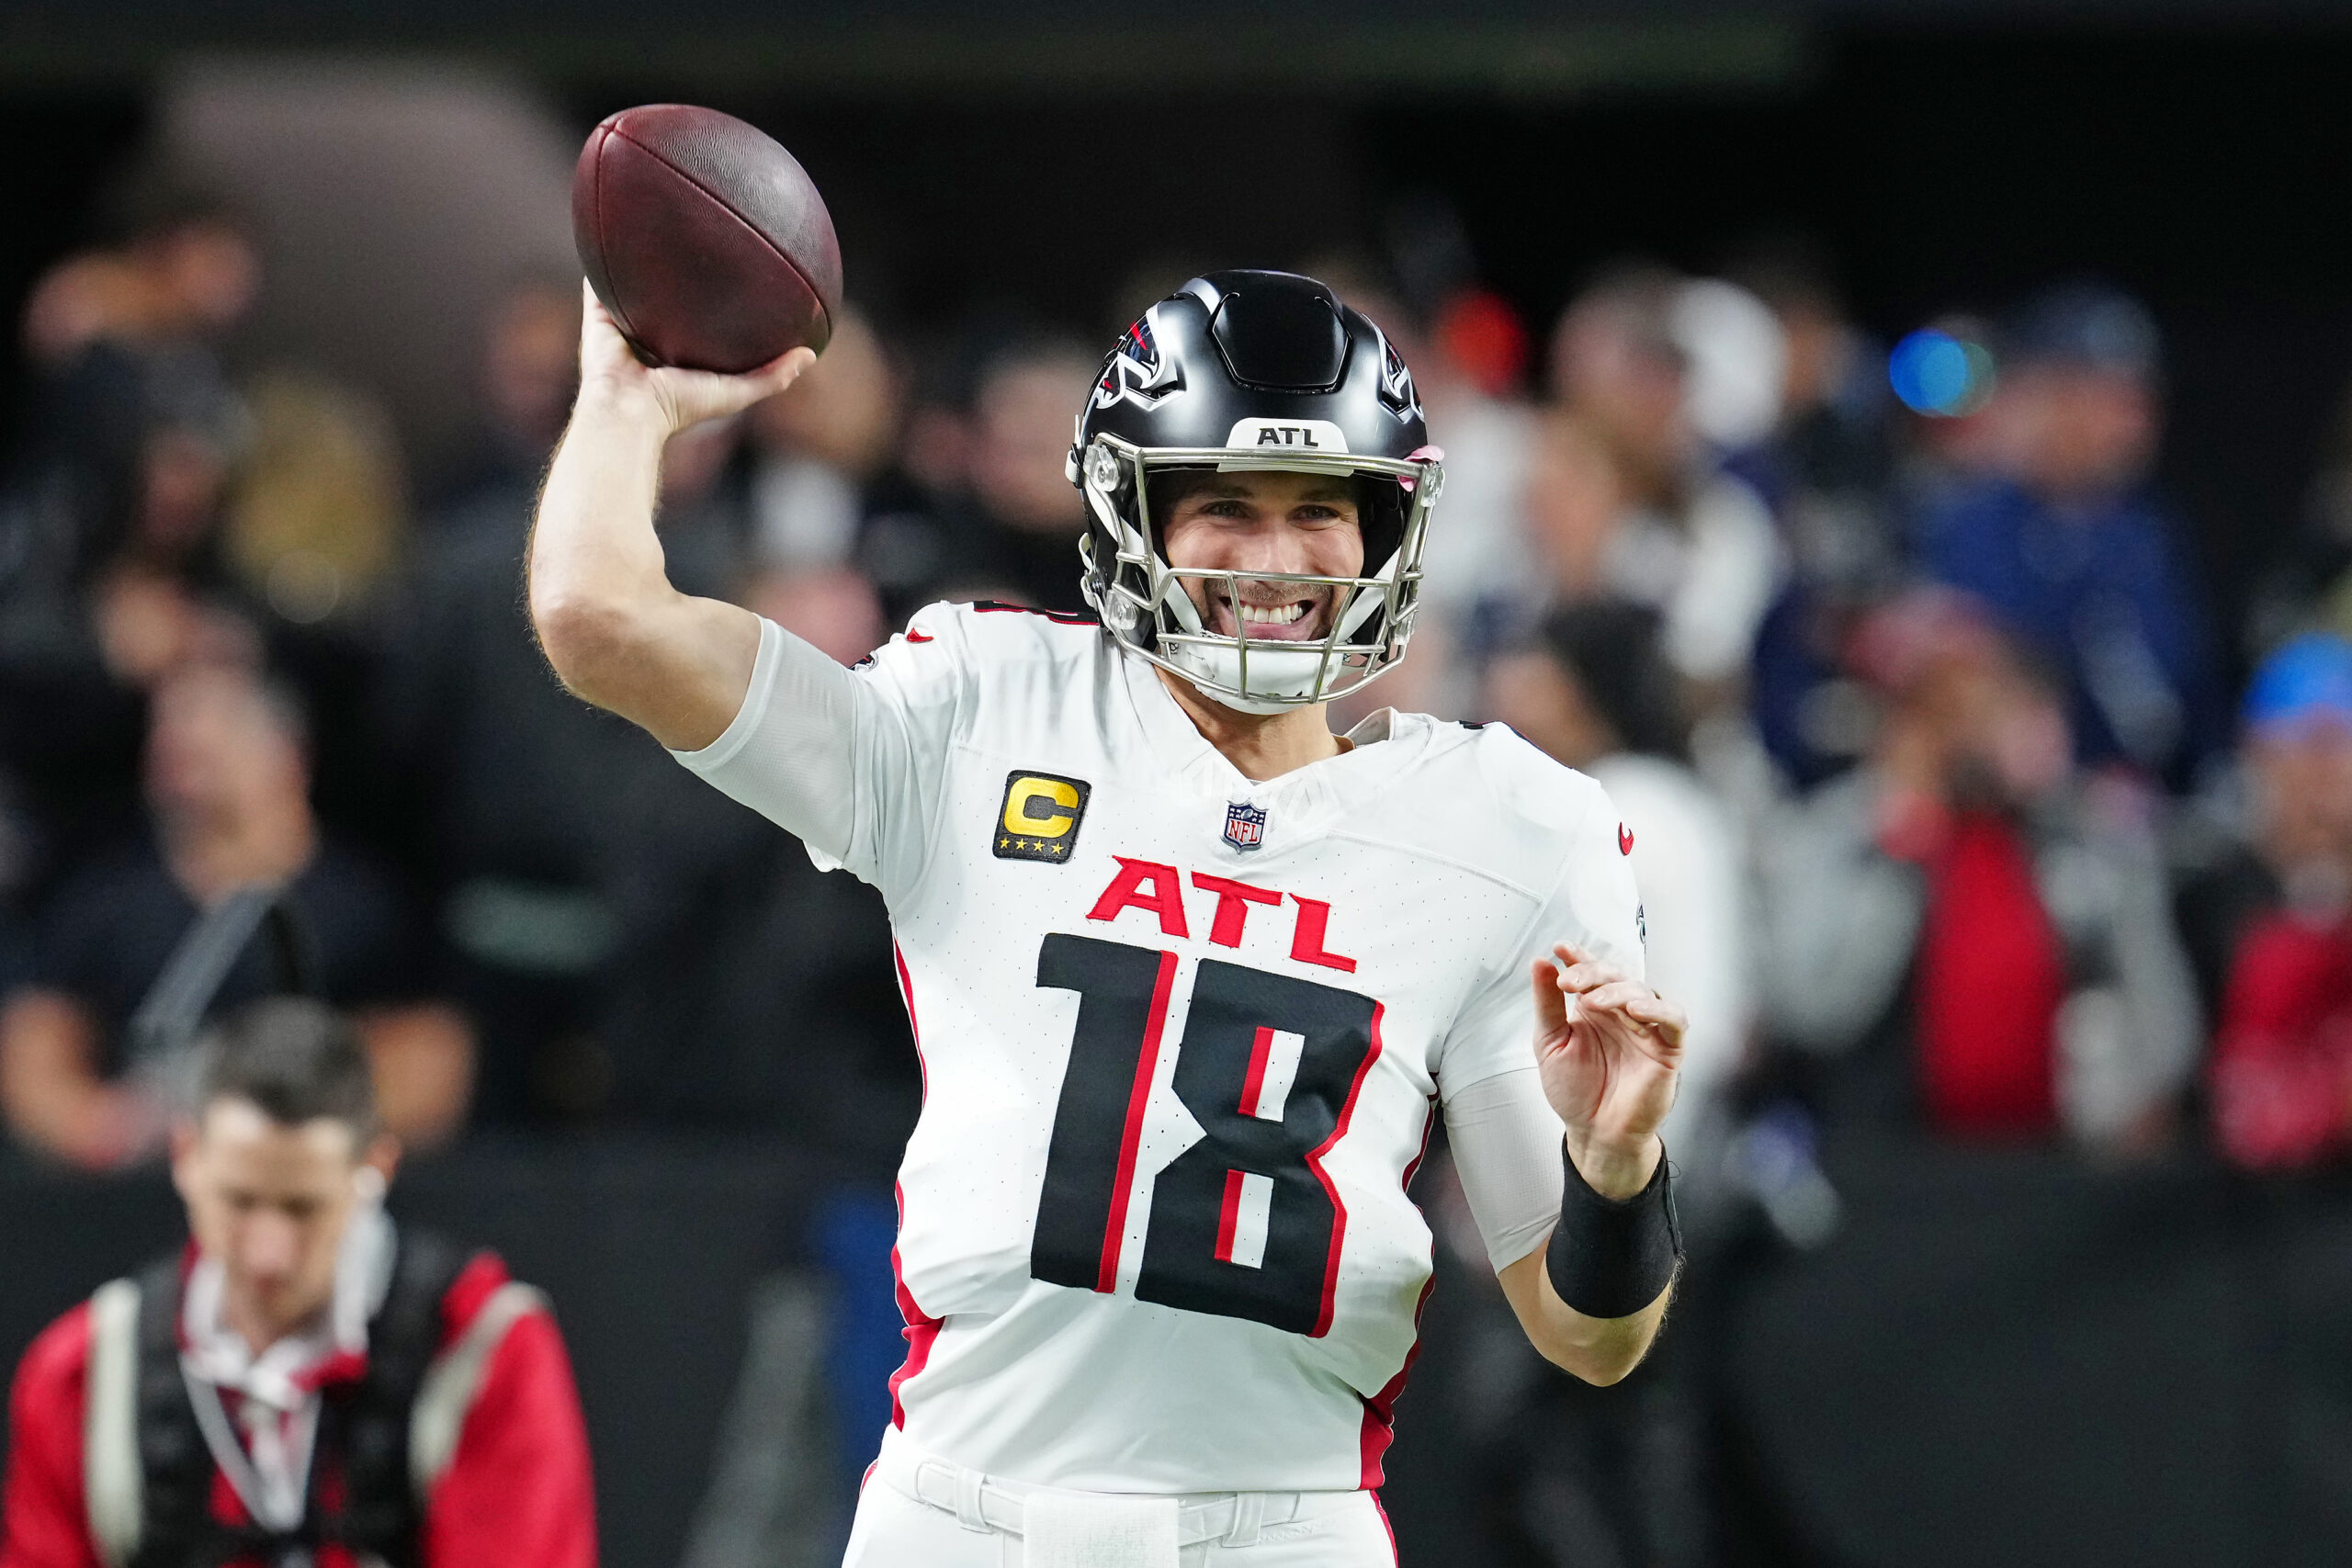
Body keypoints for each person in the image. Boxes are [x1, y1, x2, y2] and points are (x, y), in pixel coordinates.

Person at [530, 269, 1690, 1565]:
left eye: (1322, 509)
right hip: (963, 1511)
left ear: (1390, 527)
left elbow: (1595, 1332)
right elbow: (601, 622)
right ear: (1130, 508)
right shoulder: (985, 707)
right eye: (1227, 508)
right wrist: (626, 401)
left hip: (1281, 1527)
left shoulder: (1504, 828)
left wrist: (1616, 1160)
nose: (1275, 559)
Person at [0, 996, 594, 1568]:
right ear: (185, 1157)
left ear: (376, 1169)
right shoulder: (84, 1370)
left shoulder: (481, 1350)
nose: (269, 1253)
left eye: (304, 1207)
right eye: (240, 1200)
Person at [1756, 589, 2198, 1150]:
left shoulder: (2080, 836)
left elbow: (2156, 1000)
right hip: (1890, 1166)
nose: (1965, 733)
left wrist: (2134, 1095)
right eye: (1942, 709)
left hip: (2062, 1164)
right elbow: (1813, 1014)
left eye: (1984, 706)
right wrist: (1898, 845)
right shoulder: (1837, 835)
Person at [0, 663, 469, 1166]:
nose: (182, 752)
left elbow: (432, 1063)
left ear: (289, 757)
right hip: (143, 1186)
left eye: (214, 736)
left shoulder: (365, 909)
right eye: (169, 738)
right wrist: (91, 1123)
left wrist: (301, 1132)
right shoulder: (104, 904)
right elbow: (35, 1042)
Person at [1910, 283, 2223, 787]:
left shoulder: (2147, 534)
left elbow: (2182, 702)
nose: (2132, 424)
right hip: (1995, 804)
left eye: (2139, 401)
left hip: (2138, 814)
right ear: (2045, 394)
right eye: (2107, 398)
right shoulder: (1966, 524)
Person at [2177, 635, 2352, 1168]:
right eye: (2306, 746)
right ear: (2258, 756)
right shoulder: (2203, 901)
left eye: (2337, 745)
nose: (2322, 775)